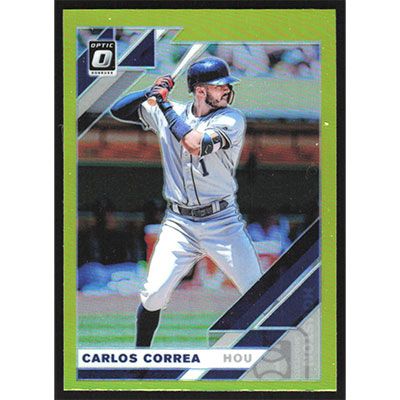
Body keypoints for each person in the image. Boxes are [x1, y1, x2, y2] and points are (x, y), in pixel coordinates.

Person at [110, 57, 262, 347]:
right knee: (153, 296)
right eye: (220, 86)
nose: (227, 90)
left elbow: (194, 143)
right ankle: (140, 362)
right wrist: (149, 92)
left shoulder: (231, 119)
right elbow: (118, 110)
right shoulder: (173, 111)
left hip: (222, 223)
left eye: (227, 86)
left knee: (258, 293)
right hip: (179, 224)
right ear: (200, 91)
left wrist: (163, 105)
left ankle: (263, 354)